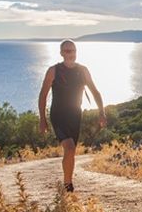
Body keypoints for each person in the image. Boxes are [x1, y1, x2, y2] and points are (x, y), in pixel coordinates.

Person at [38, 39, 106, 192]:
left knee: (72, 151)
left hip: (75, 115)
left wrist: (102, 113)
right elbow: (43, 96)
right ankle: (68, 185)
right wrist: (42, 119)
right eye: (67, 51)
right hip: (58, 115)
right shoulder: (53, 70)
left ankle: (67, 180)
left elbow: (95, 92)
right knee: (69, 148)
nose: (71, 54)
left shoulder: (83, 70)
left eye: (73, 50)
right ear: (61, 53)